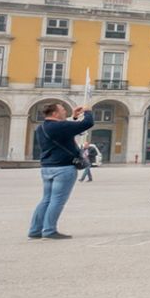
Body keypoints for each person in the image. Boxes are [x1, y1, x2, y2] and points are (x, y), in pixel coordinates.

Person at [28, 100, 94, 240]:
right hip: (63, 168)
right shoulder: (60, 126)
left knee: (46, 199)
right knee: (57, 200)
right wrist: (87, 111)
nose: (65, 111)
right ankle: (49, 230)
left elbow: (68, 130)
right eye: (63, 110)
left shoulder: (42, 127)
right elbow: (87, 124)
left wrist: (74, 117)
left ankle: (35, 230)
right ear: (55, 113)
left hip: (47, 167)